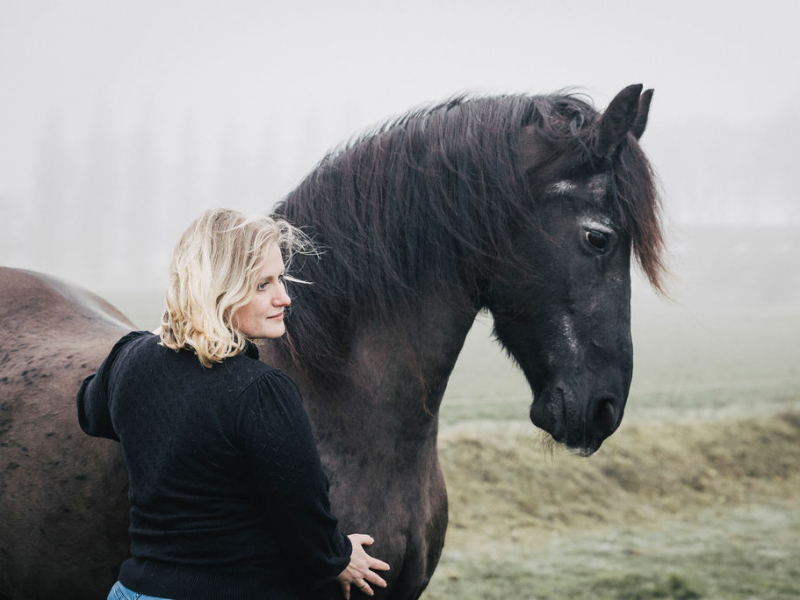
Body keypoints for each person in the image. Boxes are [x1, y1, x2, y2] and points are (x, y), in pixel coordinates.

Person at [77, 208, 389, 600]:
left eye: (281, 279)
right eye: (262, 285)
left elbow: (90, 413)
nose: (285, 298)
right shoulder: (260, 391)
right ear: (217, 291)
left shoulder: (130, 360)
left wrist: (158, 335)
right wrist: (339, 556)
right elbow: (302, 515)